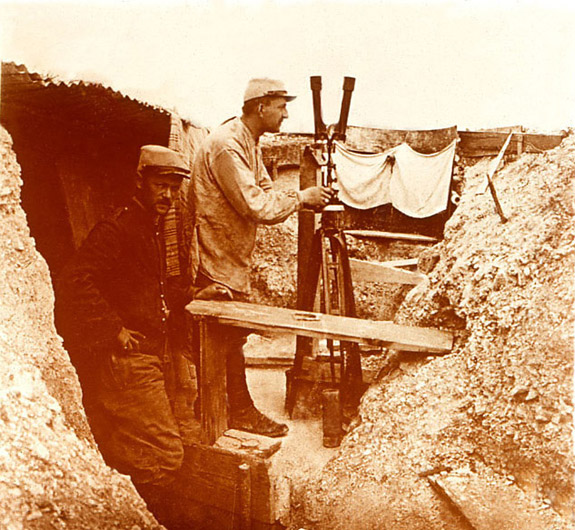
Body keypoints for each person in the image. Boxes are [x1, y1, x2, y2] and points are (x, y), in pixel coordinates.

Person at [55, 145, 197, 521]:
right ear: (141, 182)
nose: (167, 195)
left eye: (174, 187)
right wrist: (113, 328)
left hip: (154, 352)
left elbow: (147, 290)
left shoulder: (152, 227)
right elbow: (74, 280)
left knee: (139, 448)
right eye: (160, 186)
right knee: (166, 455)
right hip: (129, 359)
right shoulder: (117, 228)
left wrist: (195, 294)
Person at [189, 78, 333, 437]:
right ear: (260, 107)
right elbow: (256, 205)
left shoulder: (249, 142)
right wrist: (301, 198)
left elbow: (266, 190)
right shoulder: (226, 145)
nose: (286, 114)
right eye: (281, 106)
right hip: (212, 256)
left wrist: (295, 197)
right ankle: (232, 413)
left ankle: (228, 410)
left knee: (230, 341)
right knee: (220, 341)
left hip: (229, 256)